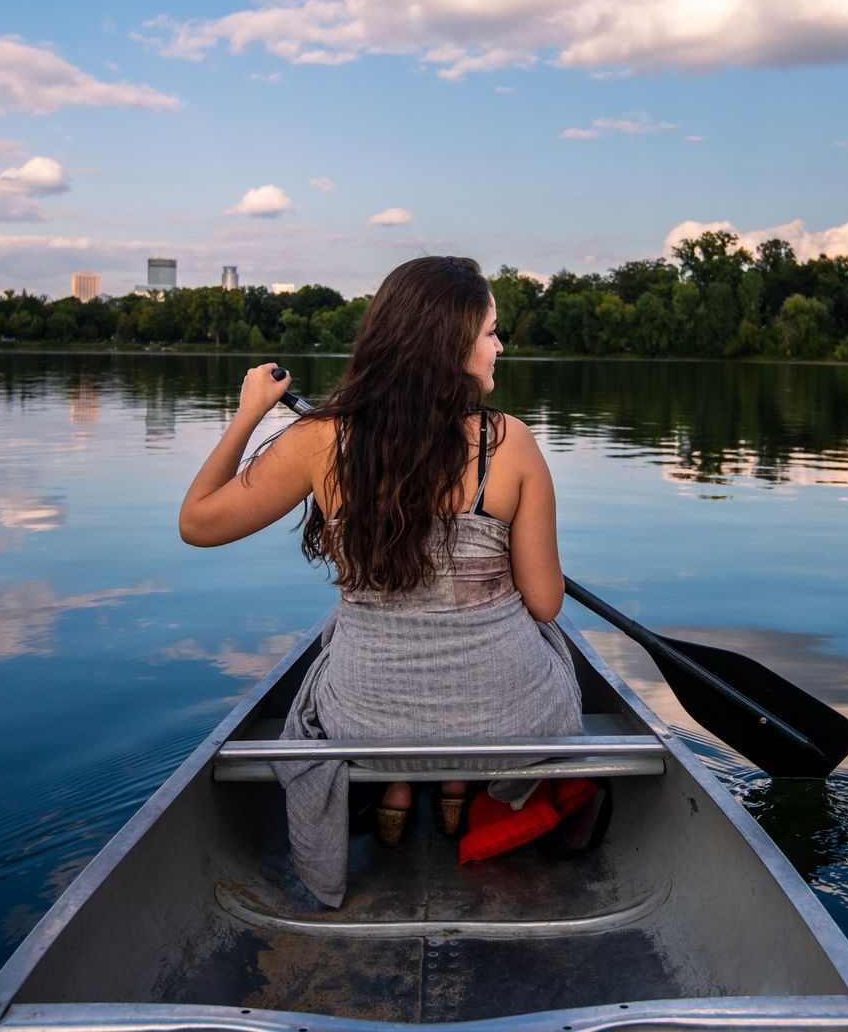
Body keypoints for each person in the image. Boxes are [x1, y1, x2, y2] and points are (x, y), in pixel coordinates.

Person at [178, 256, 583, 907]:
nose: (499, 346)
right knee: (546, 642)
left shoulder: (321, 440)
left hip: (366, 718)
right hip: (510, 720)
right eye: (489, 332)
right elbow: (545, 600)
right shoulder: (511, 442)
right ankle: (460, 790)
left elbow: (197, 522)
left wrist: (251, 411)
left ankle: (398, 786)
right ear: (449, 346)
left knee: (341, 648)